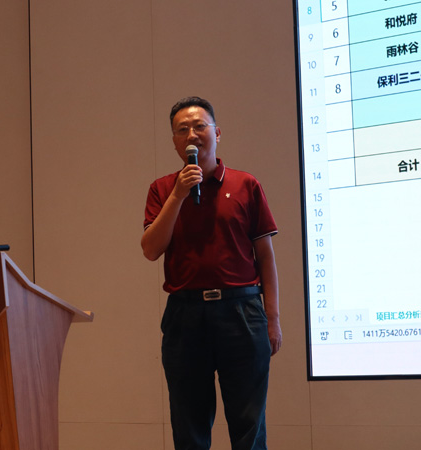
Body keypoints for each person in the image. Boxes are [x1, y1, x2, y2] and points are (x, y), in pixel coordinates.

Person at [141, 97, 282, 450]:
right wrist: (178, 195)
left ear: (217, 133)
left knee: (249, 426)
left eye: (199, 126)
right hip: (185, 315)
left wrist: (273, 319)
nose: (192, 134)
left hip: (243, 311)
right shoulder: (162, 189)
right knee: (188, 426)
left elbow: (265, 257)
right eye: (182, 129)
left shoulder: (246, 184)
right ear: (175, 142)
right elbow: (150, 249)